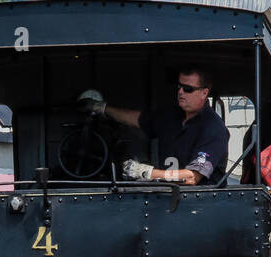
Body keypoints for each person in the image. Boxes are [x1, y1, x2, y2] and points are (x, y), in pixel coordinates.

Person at [80, 68, 228, 185]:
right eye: (179, 87)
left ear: (204, 93)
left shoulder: (214, 129)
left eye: (188, 89)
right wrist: (101, 108)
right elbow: (134, 118)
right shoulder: (170, 117)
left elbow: (191, 178)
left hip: (201, 206)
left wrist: (146, 173)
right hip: (169, 199)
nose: (181, 92)